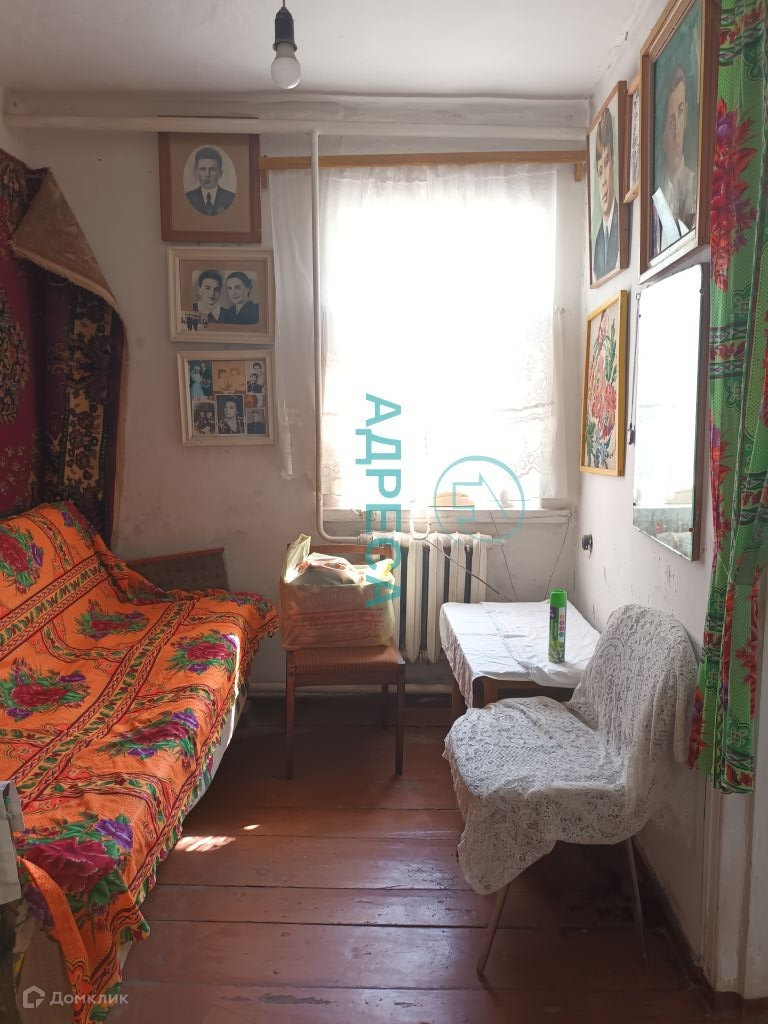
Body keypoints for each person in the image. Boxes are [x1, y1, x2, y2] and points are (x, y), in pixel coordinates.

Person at [655, 64, 696, 248]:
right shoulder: (659, 196)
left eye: (680, 112)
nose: (677, 128)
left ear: (686, 115)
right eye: (671, 120)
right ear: (663, 135)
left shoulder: (694, 183)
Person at [592, 106, 619, 282]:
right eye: (600, 171)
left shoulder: (620, 225)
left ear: (614, 163)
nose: (603, 181)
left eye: (607, 162)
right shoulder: (597, 244)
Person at [185, 147, 236, 216]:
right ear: (197, 172)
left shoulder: (229, 198)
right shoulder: (189, 197)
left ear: (220, 173)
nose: (207, 175)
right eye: (203, 169)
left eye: (212, 169)